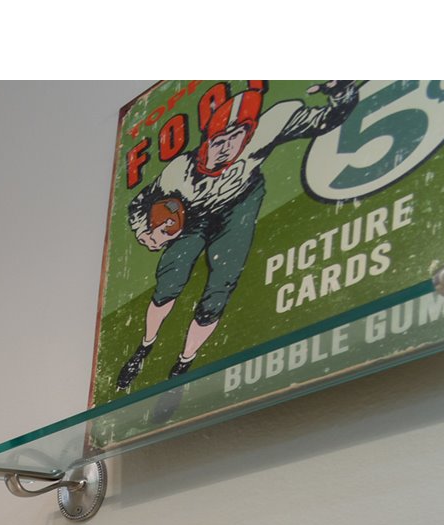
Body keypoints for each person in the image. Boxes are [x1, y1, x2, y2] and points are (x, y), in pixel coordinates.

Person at [115, 82, 361, 391]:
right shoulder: (179, 173)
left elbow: (327, 119)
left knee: (221, 285)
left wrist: (341, 91)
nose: (227, 147)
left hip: (238, 205)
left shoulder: (265, 132)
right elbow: (139, 204)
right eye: (220, 140)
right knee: (171, 276)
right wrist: (145, 232)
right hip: (194, 214)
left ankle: (184, 362)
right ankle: (145, 346)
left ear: (249, 134)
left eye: (236, 138)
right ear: (208, 139)